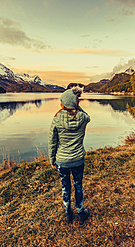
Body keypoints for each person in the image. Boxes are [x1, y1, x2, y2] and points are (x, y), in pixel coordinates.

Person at [48, 87, 91, 224]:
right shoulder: (83, 118)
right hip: (78, 160)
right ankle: (80, 213)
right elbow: (88, 116)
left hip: (62, 161)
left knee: (65, 187)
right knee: (78, 185)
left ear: (63, 104)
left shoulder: (56, 119)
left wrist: (52, 159)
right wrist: (77, 106)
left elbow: (52, 142)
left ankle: (68, 214)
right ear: (76, 103)